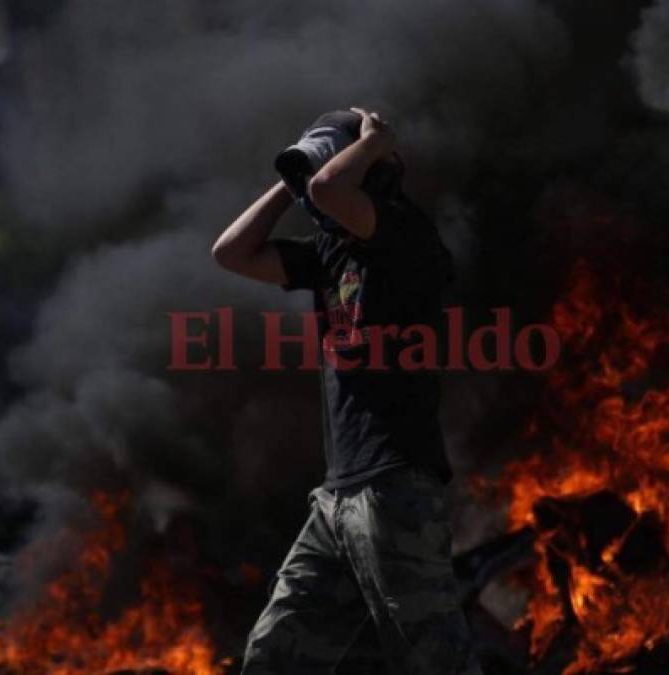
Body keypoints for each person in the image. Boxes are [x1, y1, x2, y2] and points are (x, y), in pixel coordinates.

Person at [212, 107, 482, 675]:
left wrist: (372, 144)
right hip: (335, 500)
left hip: (395, 488)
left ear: (377, 172)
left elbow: (332, 189)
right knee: (274, 656)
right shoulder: (329, 254)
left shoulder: (406, 235)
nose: (313, 189)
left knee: (437, 663)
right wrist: (290, 186)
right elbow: (230, 253)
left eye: (324, 168)